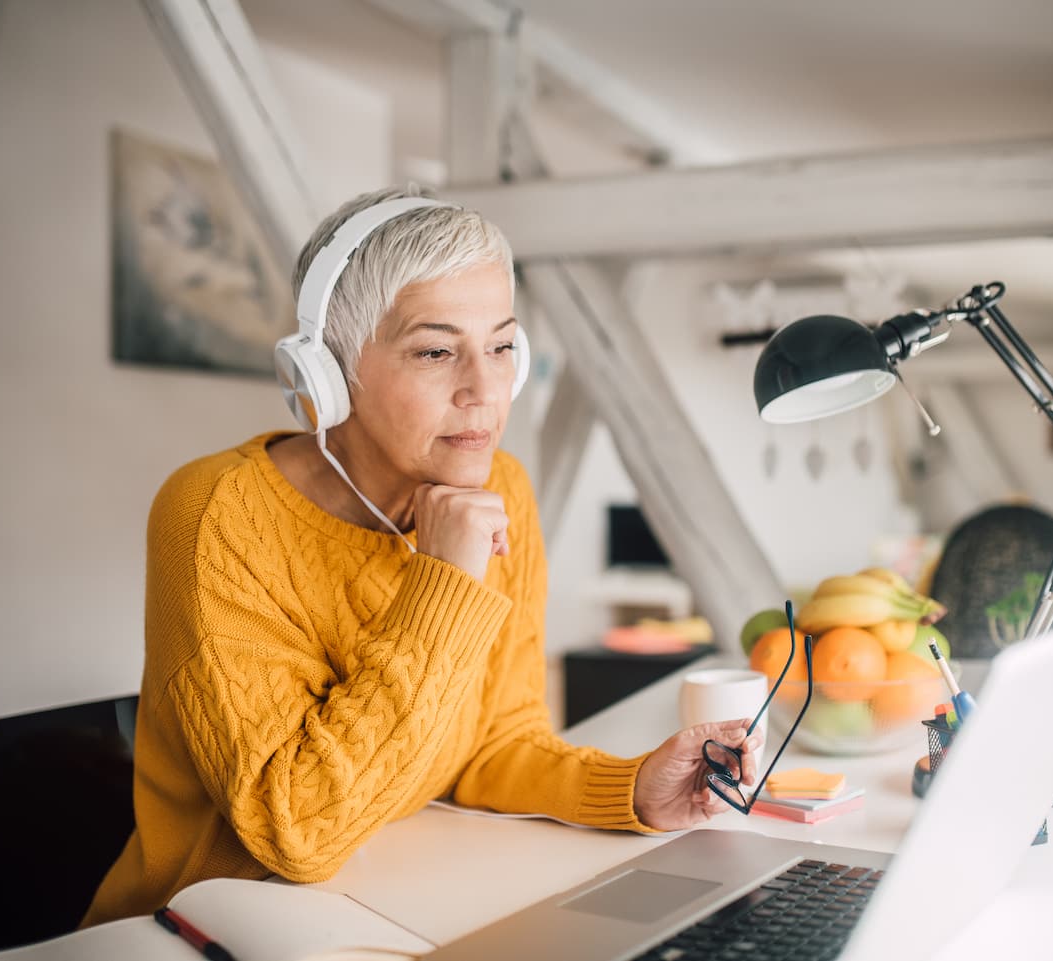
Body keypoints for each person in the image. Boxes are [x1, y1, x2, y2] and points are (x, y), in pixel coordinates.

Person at [82, 186, 760, 926]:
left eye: (502, 346)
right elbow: (298, 833)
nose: (484, 390)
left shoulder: (502, 488)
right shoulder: (216, 515)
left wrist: (632, 788)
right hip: (196, 933)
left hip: (388, 902)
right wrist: (444, 580)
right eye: (436, 351)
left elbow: (493, 741)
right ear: (329, 375)